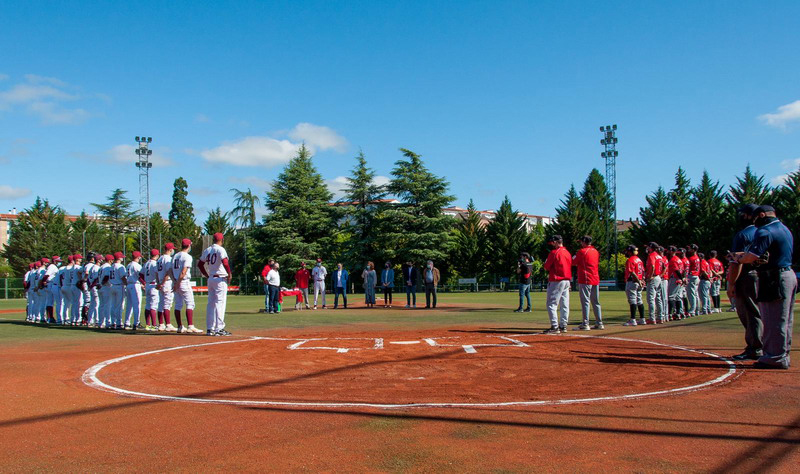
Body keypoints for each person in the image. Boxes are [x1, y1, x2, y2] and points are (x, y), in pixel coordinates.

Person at [733, 205, 795, 369]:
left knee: (773, 319)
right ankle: (782, 355)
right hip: (787, 274)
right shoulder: (784, 228)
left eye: (755, 218)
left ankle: (774, 357)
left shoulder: (765, 231)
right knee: (785, 320)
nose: (755, 222)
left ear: (761, 215)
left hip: (774, 277)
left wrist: (738, 258)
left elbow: (752, 256)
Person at [726, 204, 763, 360]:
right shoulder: (763, 232)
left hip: (747, 277)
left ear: (748, 215)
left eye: (742, 214)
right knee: (761, 312)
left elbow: (737, 263)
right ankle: (763, 345)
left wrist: (731, 283)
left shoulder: (743, 235)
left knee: (749, 312)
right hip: (764, 276)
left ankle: (755, 348)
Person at [199, 233, 232, 336]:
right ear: (222, 240)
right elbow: (225, 262)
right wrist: (229, 273)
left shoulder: (208, 250)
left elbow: (200, 264)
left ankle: (210, 328)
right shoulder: (220, 249)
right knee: (220, 303)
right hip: (220, 279)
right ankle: (219, 328)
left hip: (211, 278)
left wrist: (206, 275)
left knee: (211, 304)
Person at [168, 239, 203, 333]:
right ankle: (190, 326)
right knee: (190, 303)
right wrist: (178, 282)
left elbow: (170, 271)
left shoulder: (175, 255)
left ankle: (180, 327)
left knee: (178, 304)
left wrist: (174, 282)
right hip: (183, 281)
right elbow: (184, 271)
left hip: (175, 281)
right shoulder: (187, 256)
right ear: (188, 246)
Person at [543, 235, 572, 334]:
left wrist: (545, 263)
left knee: (551, 303)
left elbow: (546, 267)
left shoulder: (554, 253)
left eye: (552, 242)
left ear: (556, 242)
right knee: (564, 304)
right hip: (567, 280)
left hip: (556, 280)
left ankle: (554, 326)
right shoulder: (567, 253)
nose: (552, 244)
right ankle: (563, 325)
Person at [573, 236, 603, 329]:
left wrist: (574, 256)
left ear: (584, 242)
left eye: (581, 242)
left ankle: (585, 323)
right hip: (595, 278)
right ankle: (599, 322)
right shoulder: (595, 251)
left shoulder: (582, 251)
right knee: (596, 301)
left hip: (585, 278)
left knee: (585, 301)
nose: (580, 244)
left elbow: (573, 262)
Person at [156, 243, 178, 332]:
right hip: (166, 282)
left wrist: (158, 283)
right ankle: (168, 324)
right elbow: (168, 271)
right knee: (167, 304)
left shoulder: (160, 258)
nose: (173, 250)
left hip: (161, 282)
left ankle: (161, 324)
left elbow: (157, 272)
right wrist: (164, 282)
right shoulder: (168, 258)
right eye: (172, 249)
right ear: (170, 250)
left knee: (161, 304)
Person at [623, 245, 646, 326]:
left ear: (630, 251)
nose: (626, 252)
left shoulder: (630, 260)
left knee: (632, 300)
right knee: (639, 300)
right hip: (639, 281)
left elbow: (632, 272)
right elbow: (643, 271)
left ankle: (633, 319)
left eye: (627, 251)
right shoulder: (639, 260)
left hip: (632, 282)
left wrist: (639, 281)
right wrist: (642, 280)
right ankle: (642, 319)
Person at [645, 243, 664, 324]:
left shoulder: (652, 255)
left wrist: (650, 276)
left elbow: (652, 266)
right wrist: (660, 275)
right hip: (658, 277)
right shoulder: (659, 256)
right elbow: (664, 267)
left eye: (648, 247)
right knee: (658, 298)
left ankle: (652, 318)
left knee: (651, 298)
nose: (647, 248)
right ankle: (660, 317)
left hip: (654, 277)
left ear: (651, 247)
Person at [124, 251, 144, 330]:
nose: (140, 258)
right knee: (137, 305)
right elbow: (140, 276)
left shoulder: (128, 265)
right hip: (135, 285)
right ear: (138, 257)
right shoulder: (136, 265)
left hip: (129, 285)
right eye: (139, 257)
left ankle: (127, 323)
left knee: (129, 305)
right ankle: (136, 323)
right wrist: (144, 284)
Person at [142, 249, 160, 331]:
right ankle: (154, 325)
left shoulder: (146, 263)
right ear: (157, 255)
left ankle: (147, 325)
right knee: (153, 305)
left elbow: (140, 274)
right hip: (153, 285)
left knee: (148, 305)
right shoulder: (155, 263)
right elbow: (157, 273)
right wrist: (159, 283)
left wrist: (144, 282)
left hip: (148, 285)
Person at [667, 246, 685, 320]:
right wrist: (682, 278)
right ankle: (678, 313)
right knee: (677, 297)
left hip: (675, 279)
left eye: (669, 251)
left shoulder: (673, 259)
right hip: (678, 279)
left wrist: (681, 278)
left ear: (672, 251)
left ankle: (670, 314)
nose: (668, 252)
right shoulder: (679, 259)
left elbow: (676, 271)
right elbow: (682, 270)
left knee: (671, 297)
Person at [97, 254, 113, 328]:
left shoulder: (101, 267)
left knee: (102, 305)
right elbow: (106, 277)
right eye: (112, 260)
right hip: (105, 287)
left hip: (100, 287)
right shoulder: (107, 267)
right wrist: (102, 283)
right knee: (107, 305)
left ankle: (100, 322)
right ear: (110, 260)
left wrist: (100, 284)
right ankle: (107, 322)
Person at [686, 244, 701, 316]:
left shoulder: (692, 258)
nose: (689, 250)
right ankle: (697, 310)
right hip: (696, 276)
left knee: (691, 294)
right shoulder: (697, 257)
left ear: (694, 250)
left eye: (690, 249)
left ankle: (692, 310)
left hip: (692, 276)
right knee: (695, 294)